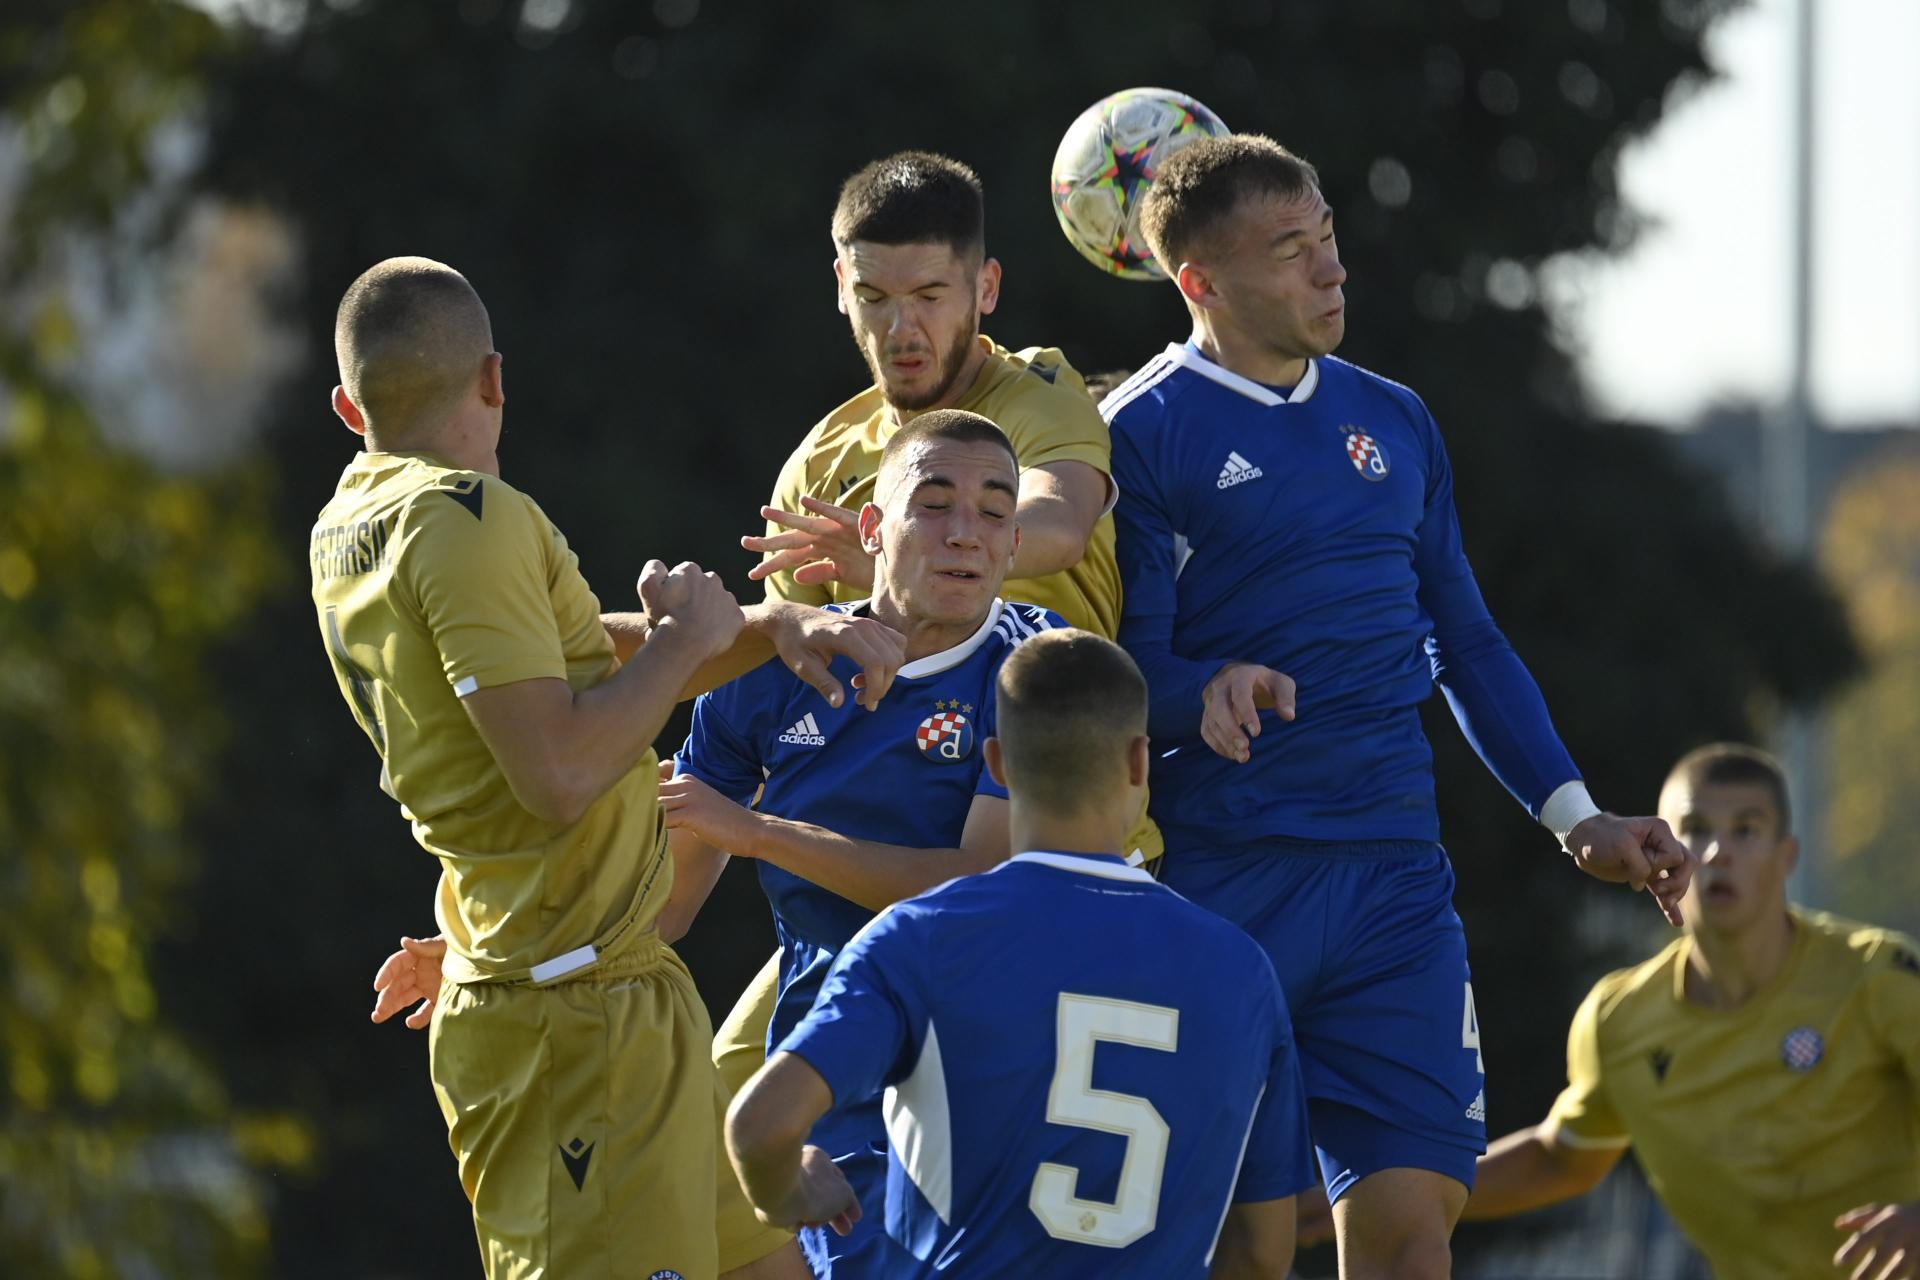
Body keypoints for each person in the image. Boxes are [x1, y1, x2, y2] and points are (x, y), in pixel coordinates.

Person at [1099, 135, 1694, 1279]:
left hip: (1393, 884)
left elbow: (1464, 638)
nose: (1331, 270)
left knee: (1414, 1243)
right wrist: (1196, 689)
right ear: (1199, 284)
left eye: (1328, 238)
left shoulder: (1398, 420)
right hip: (1228, 882)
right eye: (1292, 251)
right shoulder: (1139, 434)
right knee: (1244, 1249)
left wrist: (1578, 816)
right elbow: (1117, 668)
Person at [315, 257, 901, 1279]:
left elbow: (572, 659)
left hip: (609, 986)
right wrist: (686, 643)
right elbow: (560, 771)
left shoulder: (354, 521)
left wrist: (765, 624)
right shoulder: (465, 515)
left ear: (348, 406)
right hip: (568, 1024)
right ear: (494, 379)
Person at [708, 148, 1163, 1191]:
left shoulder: (1038, 392)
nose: (899, 327)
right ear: (839, 287)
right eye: (872, 296)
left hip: (1045, 853)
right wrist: (776, 615)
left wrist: (904, 559)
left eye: (928, 295)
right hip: (870, 878)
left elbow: (1056, 515)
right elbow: (787, 675)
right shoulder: (824, 456)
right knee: (719, 1141)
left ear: (985, 289)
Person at [725, 629, 1315, 1278]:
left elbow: (759, 1128)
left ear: (999, 764)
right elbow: (1261, 1254)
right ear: (1140, 762)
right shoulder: (1240, 971)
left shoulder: (916, 937)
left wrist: (788, 1187)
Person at [657, 408, 1072, 1276]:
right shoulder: (769, 674)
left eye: (996, 512)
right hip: (832, 1073)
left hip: (987, 1075)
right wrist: (500, 949)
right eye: (936, 504)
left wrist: (761, 832)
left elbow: (974, 889)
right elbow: (664, 904)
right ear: (873, 530)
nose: (967, 533)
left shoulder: (1040, 673)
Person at [1444, 743, 1920, 1279]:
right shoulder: (1620, 1018)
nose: (1717, 853)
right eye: (1693, 829)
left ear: (1786, 855)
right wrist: (1397, 1193)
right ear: (1654, 851)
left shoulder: (1882, 976)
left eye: (1746, 830)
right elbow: (1561, 1160)